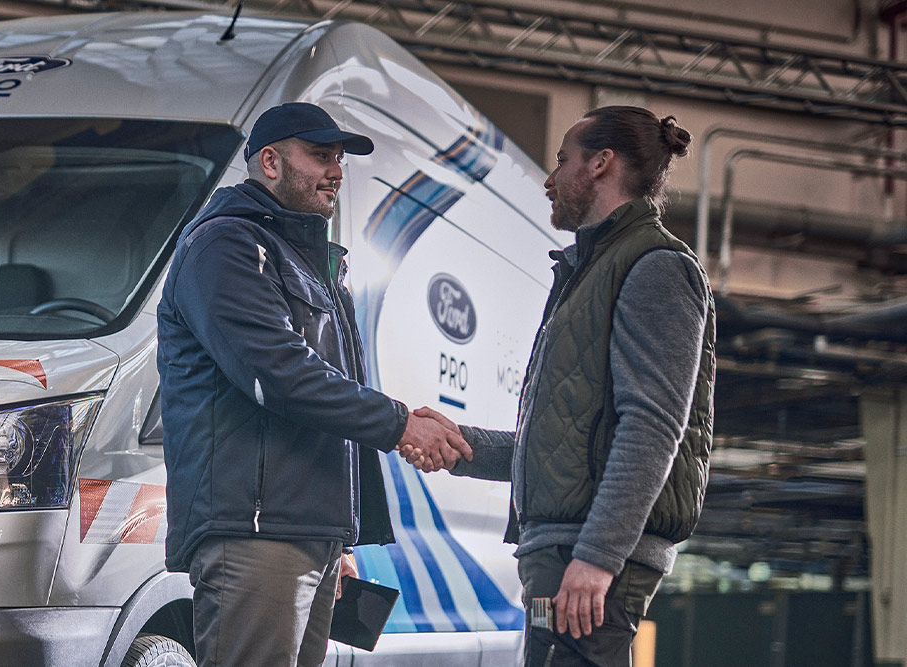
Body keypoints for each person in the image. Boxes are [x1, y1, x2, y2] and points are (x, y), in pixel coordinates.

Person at [156, 101, 472, 667]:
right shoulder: (227, 245)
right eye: (321, 155)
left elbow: (328, 393)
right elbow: (280, 376)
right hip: (254, 532)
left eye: (340, 158)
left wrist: (337, 536)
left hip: (300, 533)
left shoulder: (303, 261)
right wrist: (401, 424)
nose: (337, 171)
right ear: (270, 161)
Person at [404, 105, 716, 667]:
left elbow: (652, 427)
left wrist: (597, 558)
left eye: (561, 160)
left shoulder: (656, 267)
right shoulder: (594, 267)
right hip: (563, 544)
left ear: (601, 164)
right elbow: (571, 437)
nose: (550, 179)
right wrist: (462, 444)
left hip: (589, 550)